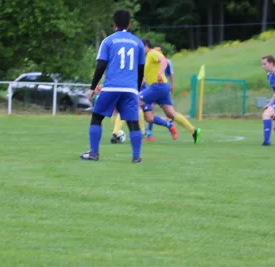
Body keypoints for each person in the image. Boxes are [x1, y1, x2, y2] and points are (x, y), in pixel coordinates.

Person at [81, 9, 146, 163]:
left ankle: (94, 153)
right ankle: (136, 157)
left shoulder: (108, 41)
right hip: (130, 89)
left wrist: (93, 87)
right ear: (129, 24)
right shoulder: (138, 43)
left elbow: (101, 65)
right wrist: (136, 89)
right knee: (133, 122)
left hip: (111, 87)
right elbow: (140, 69)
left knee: (97, 117)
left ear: (114, 24)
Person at [140, 39, 200, 143]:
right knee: (165, 115)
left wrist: (159, 73)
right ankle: (193, 131)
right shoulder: (147, 58)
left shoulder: (152, 53)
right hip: (161, 87)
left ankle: (134, 134)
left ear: (145, 46)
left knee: (134, 102)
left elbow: (164, 61)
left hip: (157, 87)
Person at [144, 46, 175, 140]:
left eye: (158, 50)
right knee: (150, 112)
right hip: (153, 87)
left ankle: (169, 125)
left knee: (136, 105)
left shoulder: (166, 61)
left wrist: (172, 84)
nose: (156, 51)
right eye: (155, 49)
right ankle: (150, 133)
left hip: (160, 87)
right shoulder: (148, 58)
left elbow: (170, 74)